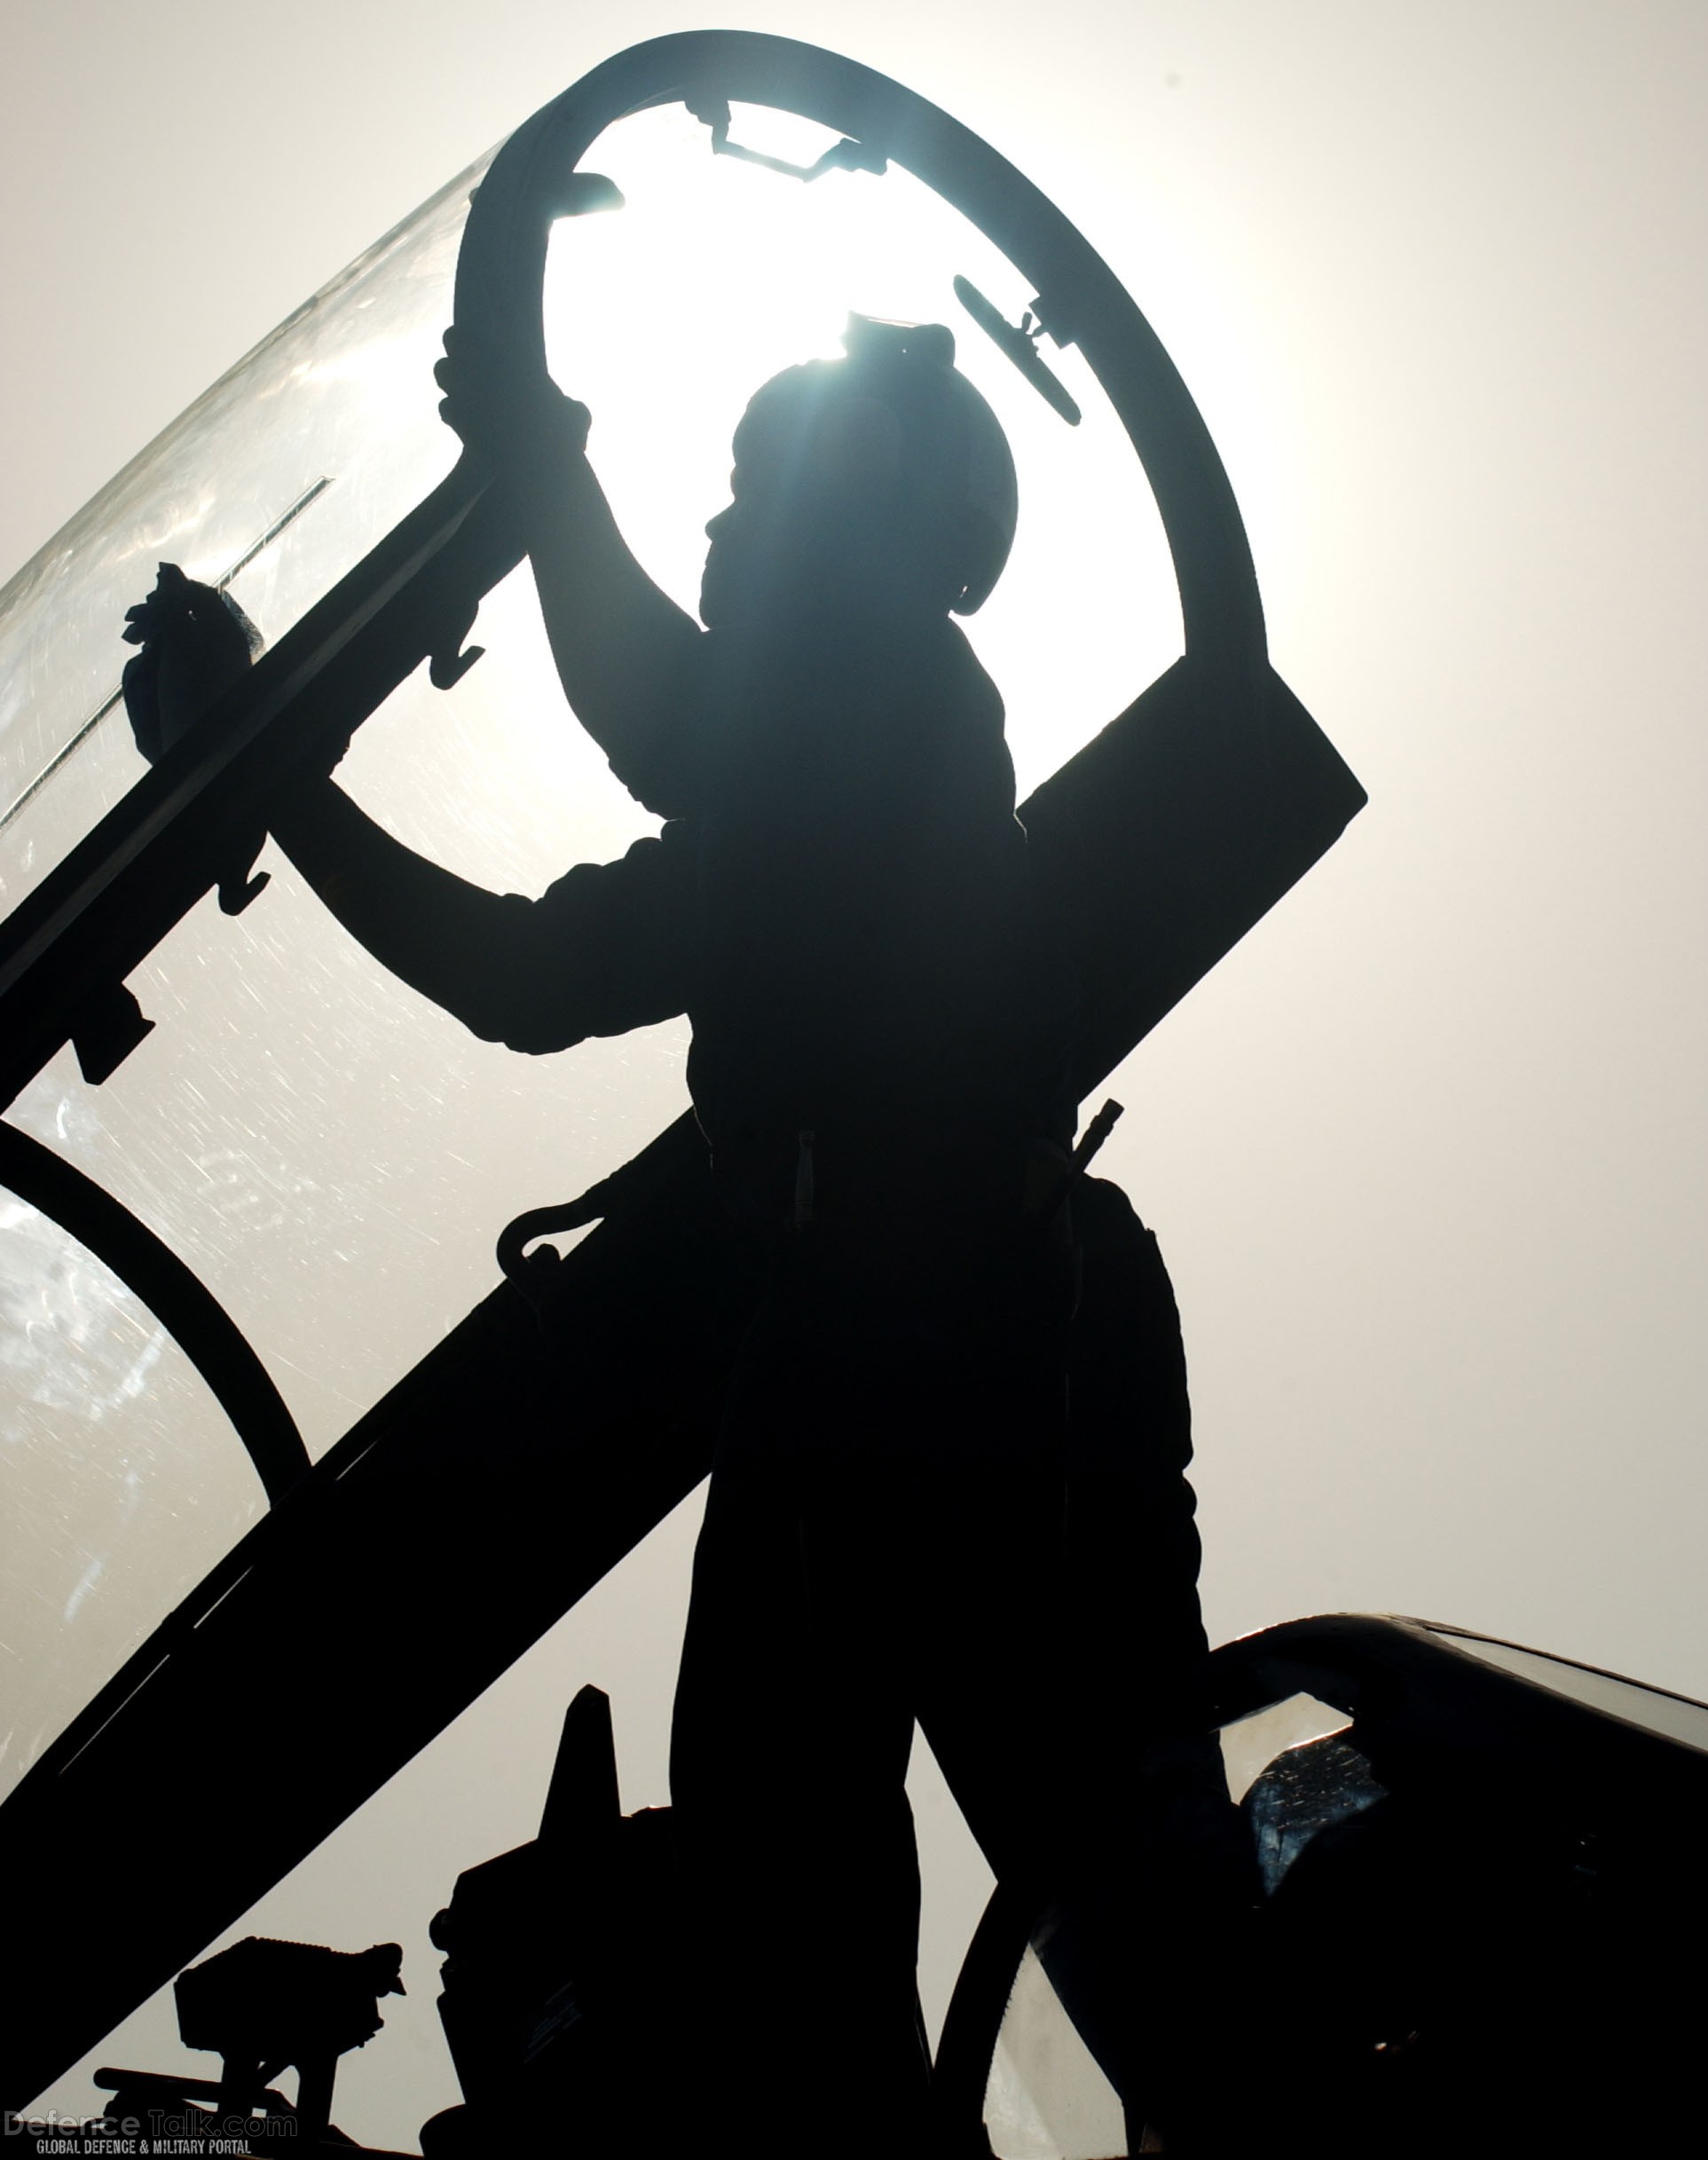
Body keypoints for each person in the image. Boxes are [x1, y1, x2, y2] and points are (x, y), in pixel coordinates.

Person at [125, 319, 1243, 2155]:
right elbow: (520, 971)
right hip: (881, 1358)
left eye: (752, 489)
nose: (720, 531)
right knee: (812, 1955)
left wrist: (543, 470)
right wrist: (263, 775)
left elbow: (659, 719)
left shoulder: (891, 707)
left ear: (868, 508)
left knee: (1106, 1929)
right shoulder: (800, 817)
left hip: (963, 1361)